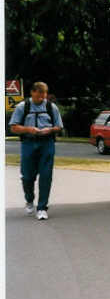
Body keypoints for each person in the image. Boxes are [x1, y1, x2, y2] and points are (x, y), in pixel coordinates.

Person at [9, 82, 64, 220]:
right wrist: (28, 129)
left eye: (44, 94)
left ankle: (42, 208)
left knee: (46, 176)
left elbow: (59, 126)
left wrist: (50, 130)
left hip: (47, 143)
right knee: (27, 176)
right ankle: (29, 199)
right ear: (32, 92)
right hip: (28, 142)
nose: (42, 97)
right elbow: (13, 127)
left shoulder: (51, 107)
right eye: (39, 94)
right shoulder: (22, 107)